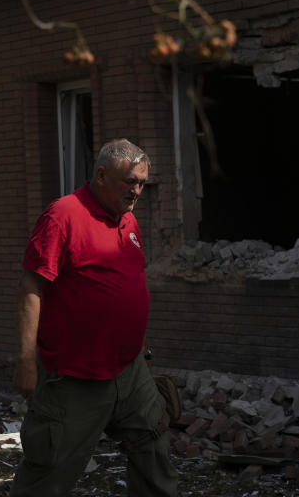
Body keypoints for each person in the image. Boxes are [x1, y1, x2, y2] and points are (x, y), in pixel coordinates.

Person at [10, 139, 178, 497]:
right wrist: (26, 361)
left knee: (153, 442)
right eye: (129, 182)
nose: (137, 191)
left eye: (142, 183)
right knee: (50, 469)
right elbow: (31, 287)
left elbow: (124, 285)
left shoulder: (128, 220)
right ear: (101, 175)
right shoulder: (63, 215)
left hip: (129, 368)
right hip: (76, 375)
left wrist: (138, 346)